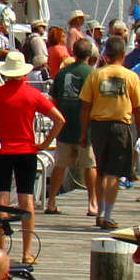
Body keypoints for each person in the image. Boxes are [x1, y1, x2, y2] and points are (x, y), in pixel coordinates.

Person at [0, 51, 60, 263]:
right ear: (23, 73)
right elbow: (59, 119)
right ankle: (27, 252)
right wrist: (46, 143)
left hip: (2, 150)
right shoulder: (33, 95)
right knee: (26, 200)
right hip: (27, 151)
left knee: (0, 201)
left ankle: (1, 251)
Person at [79, 45, 140, 231]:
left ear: (106, 55)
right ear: (123, 56)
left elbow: (85, 107)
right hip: (120, 126)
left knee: (101, 171)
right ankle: (107, 215)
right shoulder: (131, 76)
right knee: (114, 173)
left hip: (98, 126)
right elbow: (138, 109)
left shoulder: (95, 75)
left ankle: (100, 213)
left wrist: (84, 133)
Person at [48, 38, 96, 217]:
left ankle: (51, 201)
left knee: (60, 165)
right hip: (87, 128)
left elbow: (54, 101)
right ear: (89, 54)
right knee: (90, 165)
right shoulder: (92, 73)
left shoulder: (61, 74)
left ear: (73, 53)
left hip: (65, 127)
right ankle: (92, 203)